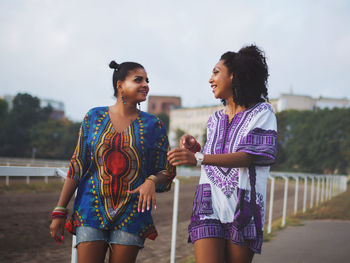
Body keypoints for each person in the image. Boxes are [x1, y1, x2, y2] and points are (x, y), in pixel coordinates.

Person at [49, 60, 176, 263]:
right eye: (138, 80)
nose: (145, 85)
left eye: (147, 80)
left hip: (132, 213)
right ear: (120, 85)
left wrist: (151, 181)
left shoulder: (154, 124)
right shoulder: (93, 117)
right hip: (90, 210)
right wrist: (60, 210)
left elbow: (166, 170)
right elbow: (78, 165)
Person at [168, 45, 277, 263]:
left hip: (243, 205)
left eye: (216, 72)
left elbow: (249, 155)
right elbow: (216, 157)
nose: (210, 79)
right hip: (208, 203)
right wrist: (197, 149)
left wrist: (199, 158)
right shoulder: (215, 119)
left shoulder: (262, 112)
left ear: (235, 76)